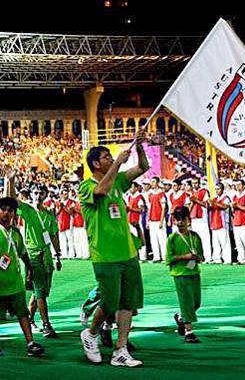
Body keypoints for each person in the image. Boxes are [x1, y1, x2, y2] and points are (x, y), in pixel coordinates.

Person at [79, 128, 148, 367]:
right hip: (104, 255)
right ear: (96, 163)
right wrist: (117, 163)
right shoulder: (86, 187)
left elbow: (142, 168)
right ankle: (91, 333)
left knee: (128, 303)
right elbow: (102, 190)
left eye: (111, 156)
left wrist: (138, 147)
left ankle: (121, 349)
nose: (110, 158)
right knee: (109, 302)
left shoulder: (118, 180)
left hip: (127, 252)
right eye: (106, 157)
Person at [0, 197, 44, 357]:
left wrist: (30, 268)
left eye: (11, 210)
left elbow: (22, 252)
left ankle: (30, 343)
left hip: (15, 283)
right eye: (4, 209)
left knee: (22, 312)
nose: (7, 213)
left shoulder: (15, 232)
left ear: (15, 214)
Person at [5, 178, 59, 339]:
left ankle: (29, 319)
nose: (37, 195)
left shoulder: (49, 214)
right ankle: (46, 324)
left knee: (40, 292)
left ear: (45, 195)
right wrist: (12, 180)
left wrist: (58, 255)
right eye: (35, 192)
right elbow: (13, 200)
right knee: (40, 291)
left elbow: (54, 235)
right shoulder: (27, 210)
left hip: (47, 256)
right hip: (33, 255)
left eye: (41, 193)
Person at [166, 206, 203, 343]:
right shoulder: (172, 238)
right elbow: (169, 258)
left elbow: (201, 255)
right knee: (187, 302)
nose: (180, 222)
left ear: (189, 220)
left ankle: (181, 317)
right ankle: (189, 331)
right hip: (180, 274)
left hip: (194, 272)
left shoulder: (195, 237)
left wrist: (197, 258)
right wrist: (185, 257)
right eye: (177, 219)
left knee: (196, 303)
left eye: (182, 219)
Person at [189, 178, 212, 263]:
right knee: (195, 240)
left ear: (199, 183)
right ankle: (197, 257)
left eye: (196, 183)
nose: (194, 185)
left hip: (202, 218)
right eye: (193, 183)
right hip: (194, 218)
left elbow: (206, 205)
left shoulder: (204, 191)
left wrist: (196, 201)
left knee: (205, 238)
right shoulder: (192, 193)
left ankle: (208, 257)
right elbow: (190, 207)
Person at [209, 183, 232, 264]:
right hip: (214, 223)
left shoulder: (226, 198)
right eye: (215, 189)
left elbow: (224, 206)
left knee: (224, 242)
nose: (216, 191)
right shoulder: (214, 199)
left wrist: (213, 203)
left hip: (222, 222)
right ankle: (217, 258)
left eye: (218, 189)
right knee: (215, 242)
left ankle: (227, 259)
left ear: (222, 190)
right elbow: (210, 207)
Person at [147, 176, 167, 262]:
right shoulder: (150, 194)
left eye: (154, 182)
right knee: (153, 239)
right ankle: (156, 257)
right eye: (151, 182)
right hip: (152, 220)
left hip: (159, 219)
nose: (152, 183)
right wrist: (148, 221)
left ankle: (165, 257)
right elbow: (149, 208)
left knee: (162, 239)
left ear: (158, 183)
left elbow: (163, 208)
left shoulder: (161, 194)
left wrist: (161, 221)